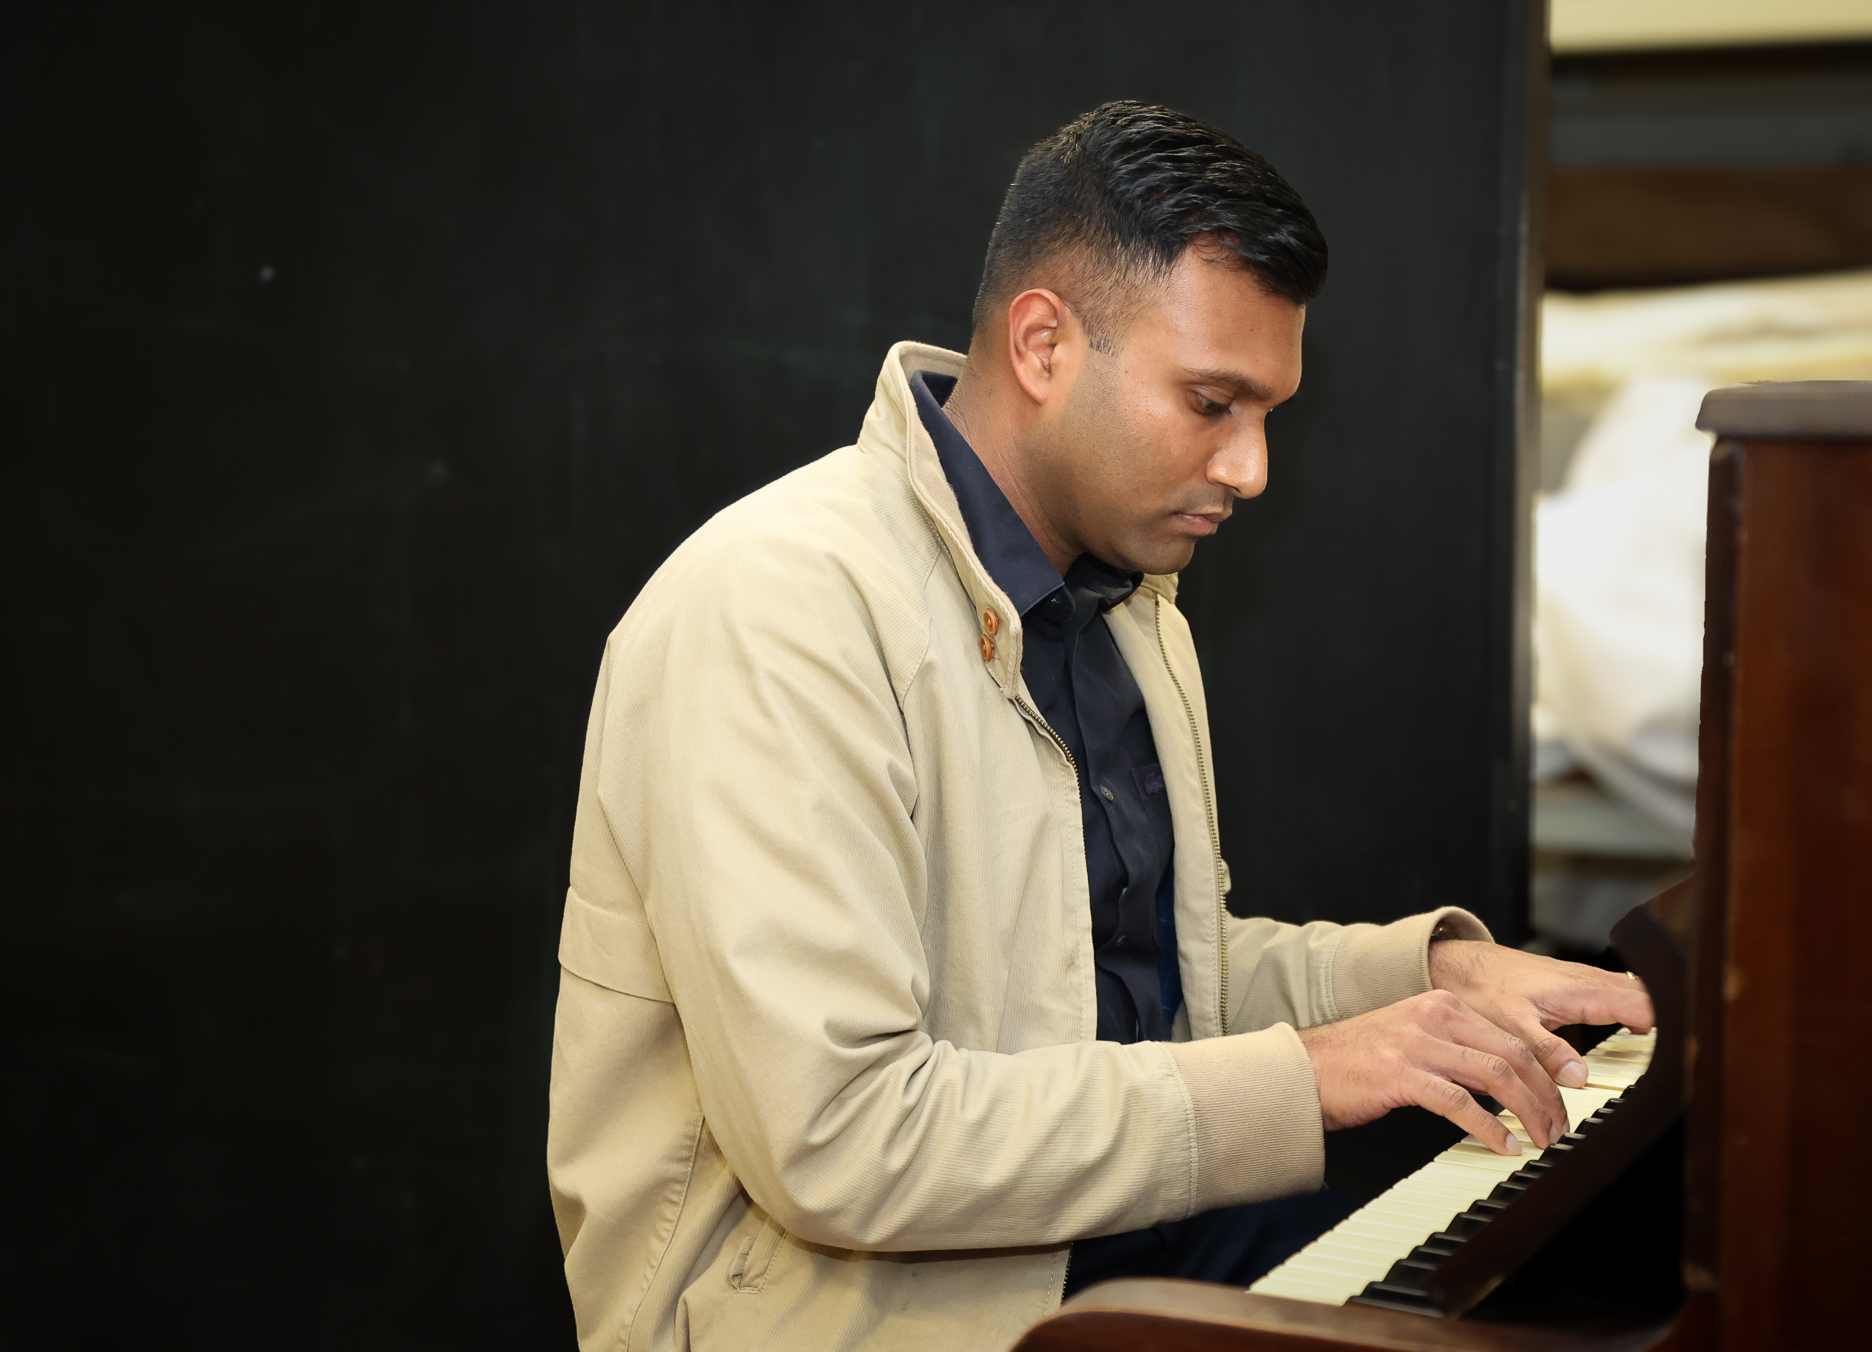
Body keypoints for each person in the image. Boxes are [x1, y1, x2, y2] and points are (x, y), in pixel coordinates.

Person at [546, 101, 1651, 1352]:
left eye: (1267, 413)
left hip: (1105, 1242)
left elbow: (1152, 988)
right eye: (1211, 402)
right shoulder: (776, 609)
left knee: (1557, 1285)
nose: (1251, 469)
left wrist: (1423, 982)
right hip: (847, 1313)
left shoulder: (1129, 606)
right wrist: (1315, 1071)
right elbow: (843, 1141)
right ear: (1041, 344)